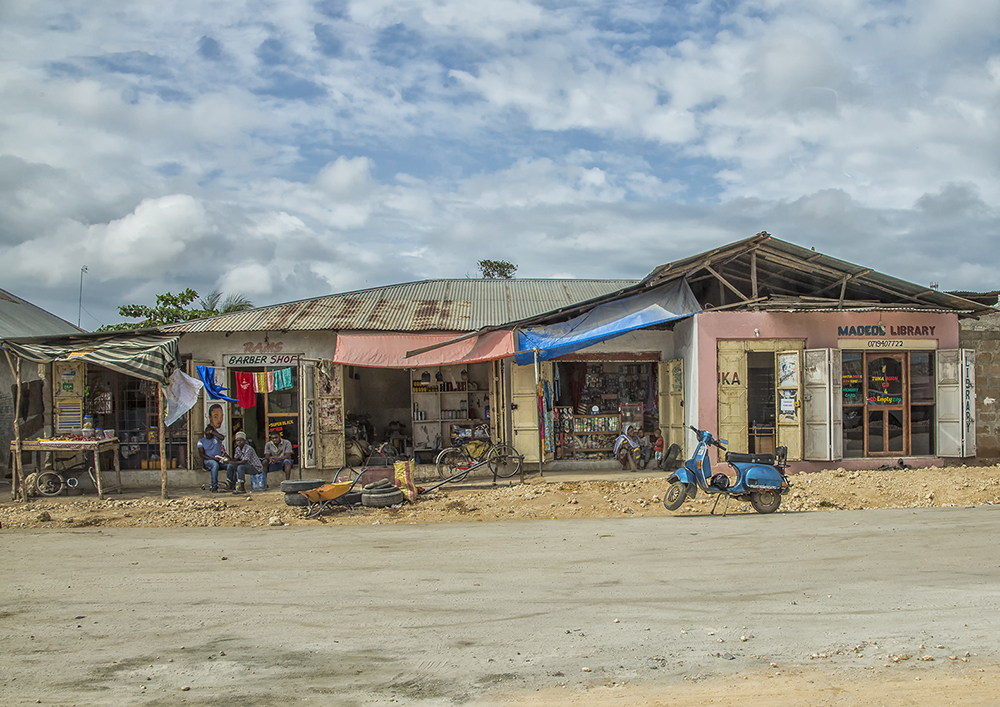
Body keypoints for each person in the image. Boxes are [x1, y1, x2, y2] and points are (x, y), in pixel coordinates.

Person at [197, 425, 229, 492]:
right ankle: (214, 486)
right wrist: (213, 459)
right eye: (207, 433)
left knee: (230, 465)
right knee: (215, 464)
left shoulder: (216, 438)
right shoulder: (201, 441)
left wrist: (213, 432)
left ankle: (232, 485)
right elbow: (202, 455)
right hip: (209, 461)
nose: (208, 434)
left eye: (210, 433)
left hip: (219, 460)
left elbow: (222, 437)